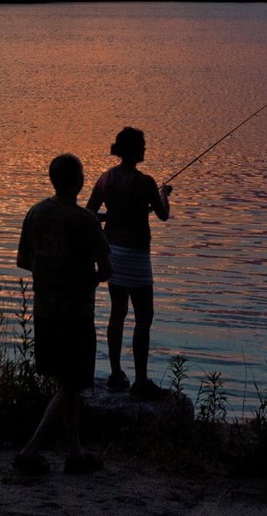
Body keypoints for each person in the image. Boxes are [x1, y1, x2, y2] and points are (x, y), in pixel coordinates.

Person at [15, 153, 111, 475]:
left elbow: (25, 261)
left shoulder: (36, 213)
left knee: (65, 381)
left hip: (44, 312)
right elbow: (106, 269)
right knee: (71, 384)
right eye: (83, 173)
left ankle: (75, 452)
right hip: (76, 315)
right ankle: (31, 450)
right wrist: (89, 276)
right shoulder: (85, 221)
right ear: (78, 181)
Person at [86, 126, 172, 399]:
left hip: (113, 253)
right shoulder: (146, 182)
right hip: (136, 256)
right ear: (134, 150)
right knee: (144, 317)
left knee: (117, 313)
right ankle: (141, 381)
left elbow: (89, 214)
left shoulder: (105, 178)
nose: (146, 148)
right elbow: (163, 215)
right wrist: (164, 193)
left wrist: (110, 219)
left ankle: (115, 374)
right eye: (143, 144)